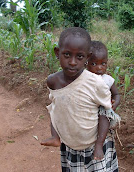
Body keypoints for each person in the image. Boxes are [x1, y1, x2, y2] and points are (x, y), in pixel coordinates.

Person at [41, 27, 119, 171]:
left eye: (80, 57)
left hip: (95, 143)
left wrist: (98, 145)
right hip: (71, 143)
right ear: (57, 53)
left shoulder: (95, 83)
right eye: (67, 54)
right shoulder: (53, 81)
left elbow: (105, 113)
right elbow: (56, 108)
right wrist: (55, 134)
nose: (72, 62)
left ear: (88, 57)